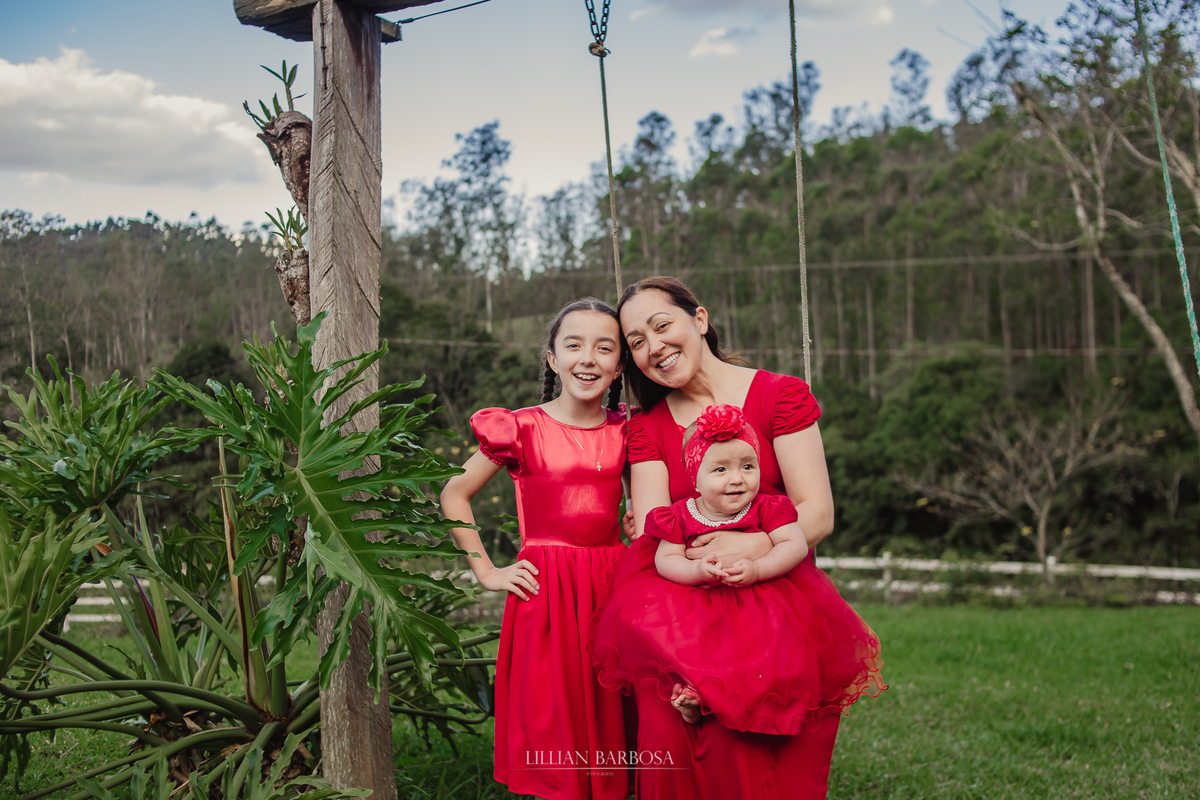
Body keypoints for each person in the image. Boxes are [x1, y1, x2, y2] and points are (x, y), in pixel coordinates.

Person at [596, 275, 883, 799]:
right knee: (672, 745)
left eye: (662, 326)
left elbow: (816, 512)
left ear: (699, 320)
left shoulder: (779, 396)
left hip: (779, 604)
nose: (653, 346)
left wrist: (755, 546)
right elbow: (657, 525)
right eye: (636, 341)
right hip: (681, 603)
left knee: (767, 758)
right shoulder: (649, 428)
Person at [594, 403, 883, 737]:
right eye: (720, 470)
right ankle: (693, 698)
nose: (737, 479)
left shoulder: (768, 507)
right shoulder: (678, 515)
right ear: (696, 478)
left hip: (762, 597)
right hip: (699, 599)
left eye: (748, 466)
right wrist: (697, 570)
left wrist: (759, 568)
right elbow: (666, 560)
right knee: (679, 638)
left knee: (769, 647)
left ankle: (768, 703)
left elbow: (795, 545)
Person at [440, 298, 631, 800]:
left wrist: (636, 522)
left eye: (604, 347)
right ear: (552, 358)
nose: (587, 358)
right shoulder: (520, 427)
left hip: (615, 586)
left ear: (619, 366)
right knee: (555, 717)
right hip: (548, 588)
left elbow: (648, 500)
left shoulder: (629, 430)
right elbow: (454, 493)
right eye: (574, 345)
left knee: (617, 714)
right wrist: (486, 571)